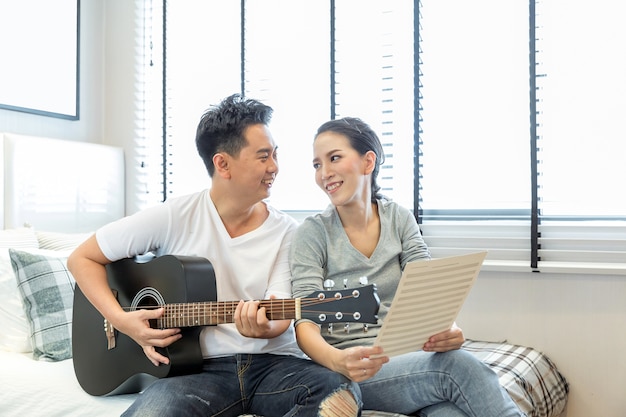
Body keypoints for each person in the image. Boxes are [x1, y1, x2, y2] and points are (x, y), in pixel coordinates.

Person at [67, 94, 361, 417]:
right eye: (263, 157)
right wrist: (123, 321)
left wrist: (263, 327)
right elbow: (82, 258)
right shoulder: (173, 216)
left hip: (273, 366)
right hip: (196, 372)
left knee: (340, 396)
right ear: (223, 164)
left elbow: (279, 314)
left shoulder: (289, 231)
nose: (275, 167)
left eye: (275, 154)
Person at [289, 117, 524, 417]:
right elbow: (304, 322)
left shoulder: (399, 218)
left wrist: (449, 330)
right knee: (455, 366)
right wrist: (337, 362)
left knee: (450, 413)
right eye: (316, 165)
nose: (324, 173)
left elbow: (427, 293)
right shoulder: (312, 233)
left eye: (334, 158)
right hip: (358, 370)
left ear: (367, 161)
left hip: (411, 357)